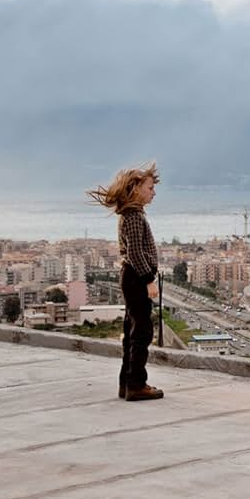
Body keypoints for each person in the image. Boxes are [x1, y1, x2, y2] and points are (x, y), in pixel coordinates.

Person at [88, 163, 164, 401]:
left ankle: (127, 383)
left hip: (132, 278)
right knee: (142, 332)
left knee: (133, 331)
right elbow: (135, 254)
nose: (153, 192)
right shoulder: (132, 216)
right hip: (135, 278)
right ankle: (136, 384)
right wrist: (149, 280)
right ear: (136, 189)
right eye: (150, 188)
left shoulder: (133, 214)